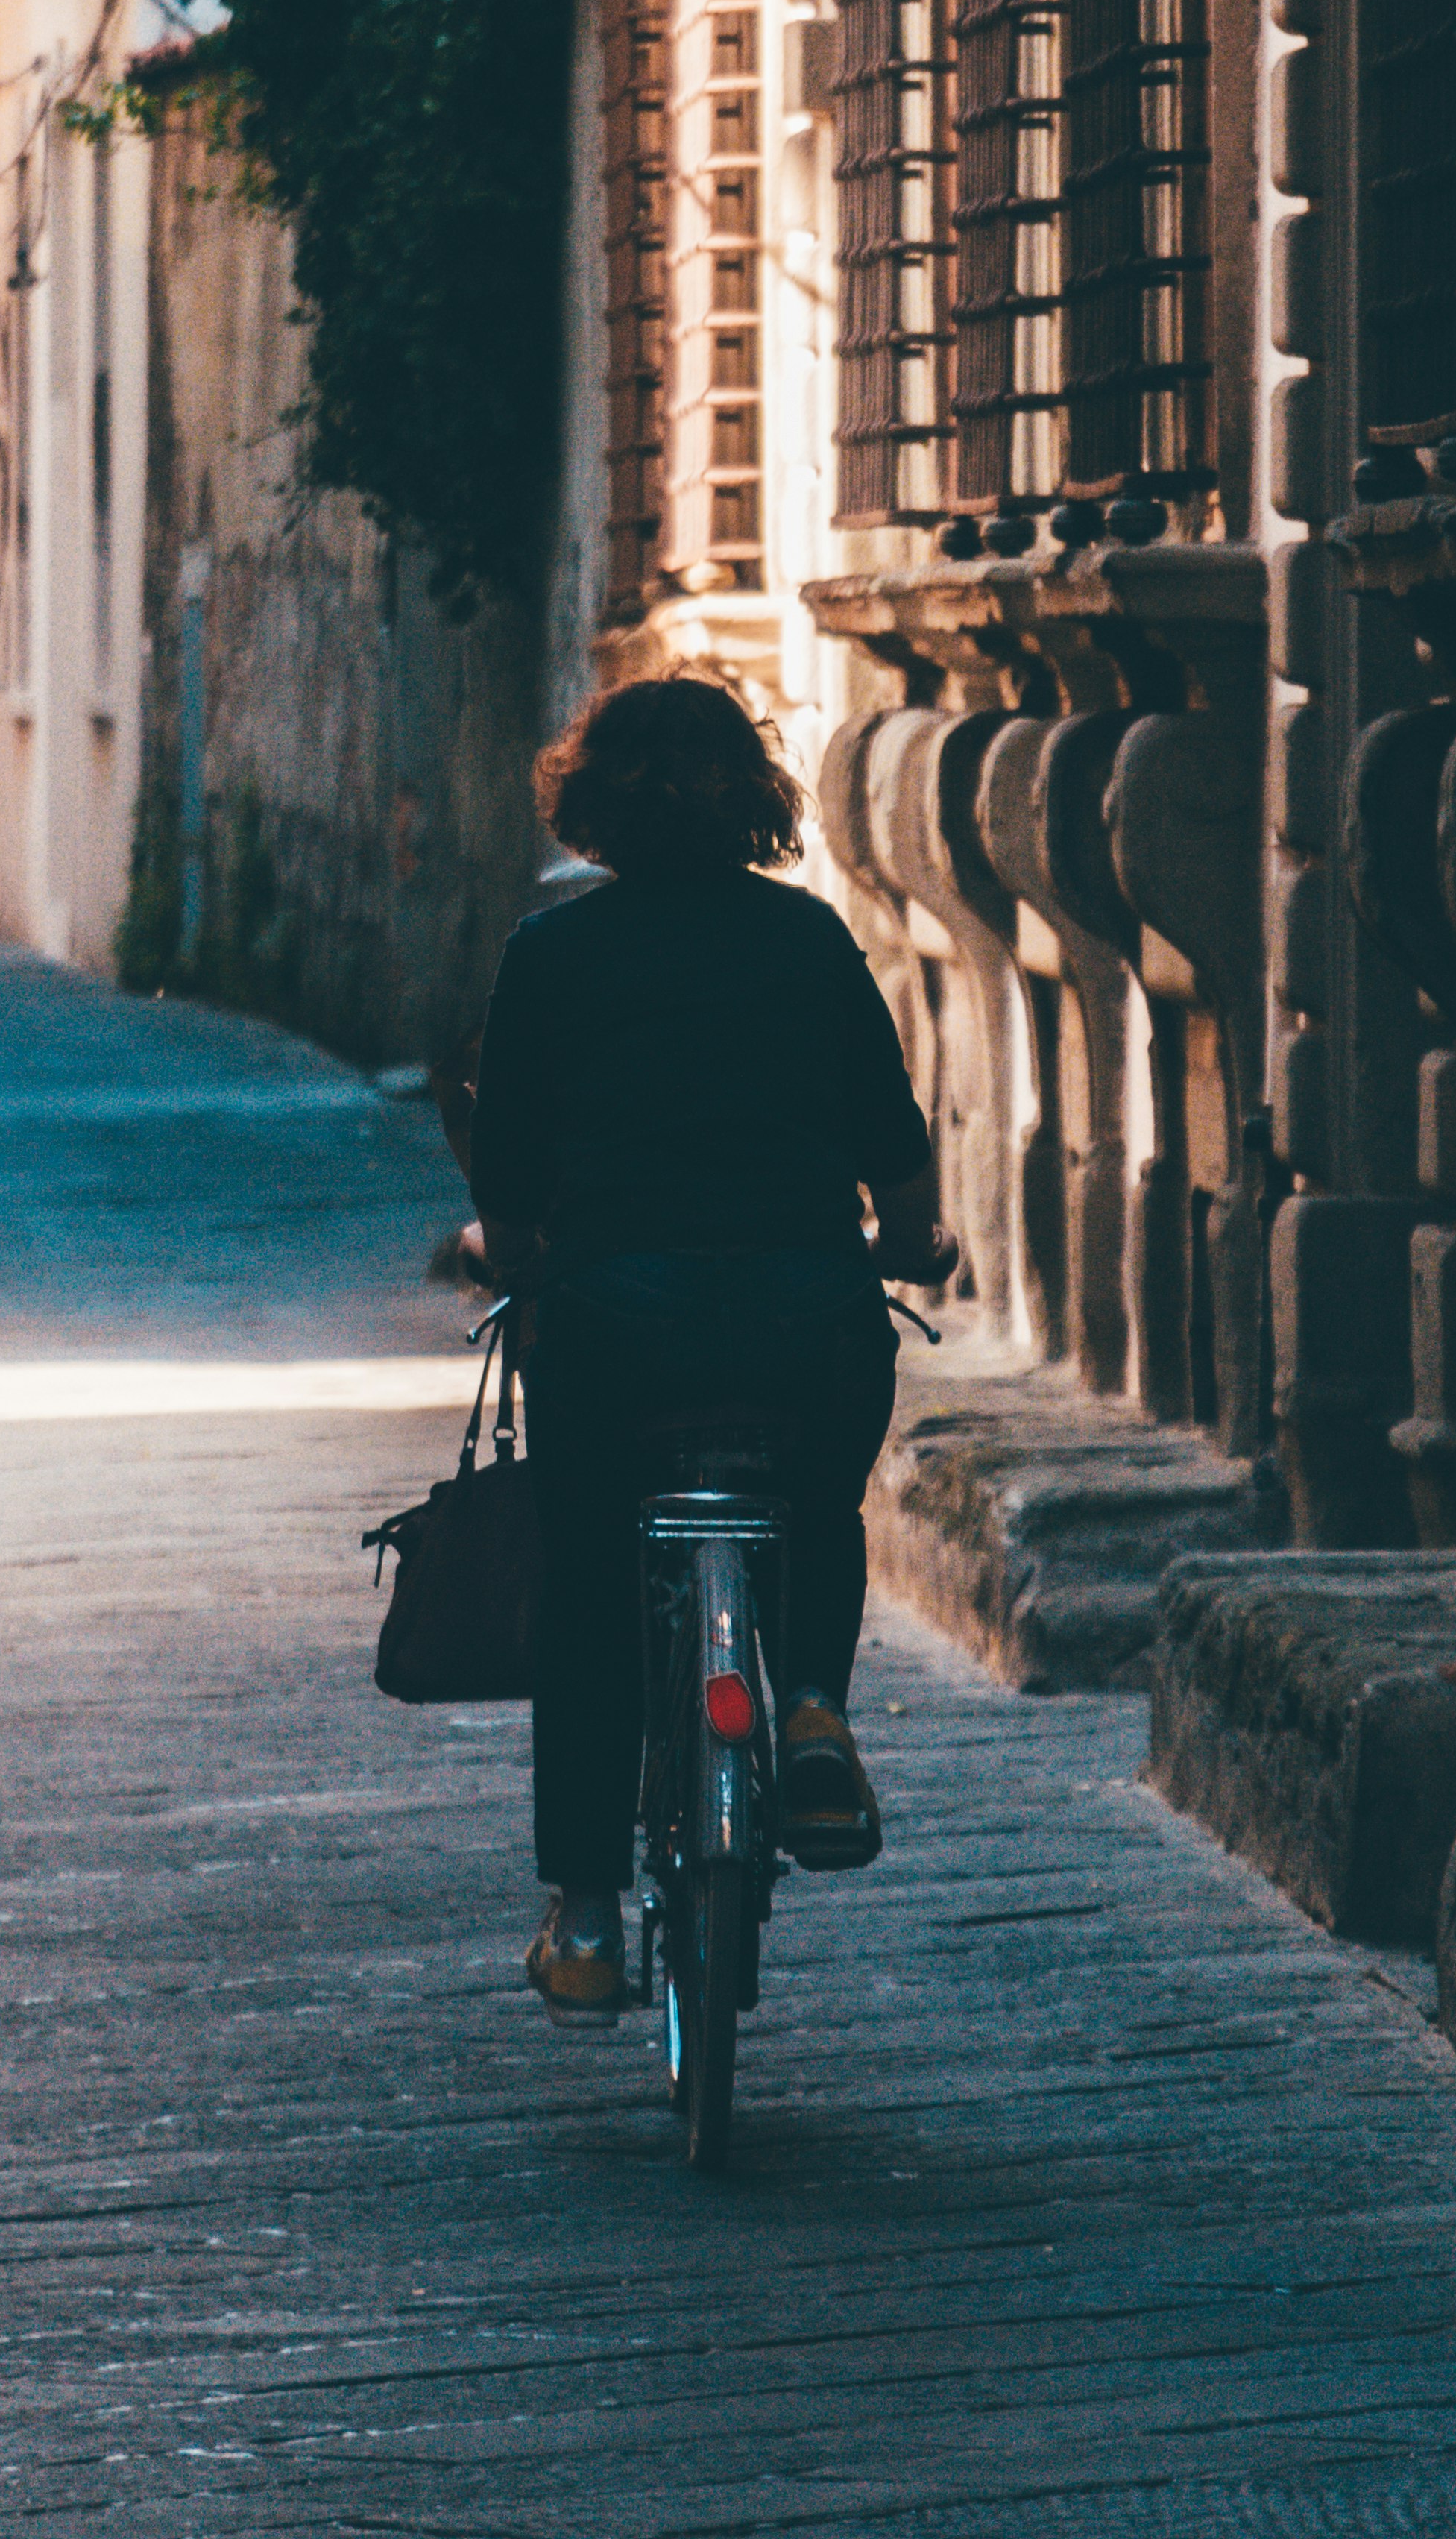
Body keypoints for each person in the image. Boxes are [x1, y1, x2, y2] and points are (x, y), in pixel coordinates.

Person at [456, 674, 954, 2020]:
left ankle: (583, 1917)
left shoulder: (546, 958)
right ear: (754, 797)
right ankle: (807, 1708)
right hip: (806, 1324)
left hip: (616, 1337)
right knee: (820, 1509)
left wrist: (516, 1255)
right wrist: (914, 1250)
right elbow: (897, 1173)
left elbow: (504, 1197)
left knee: (586, 1592)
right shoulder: (807, 944)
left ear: (592, 808)